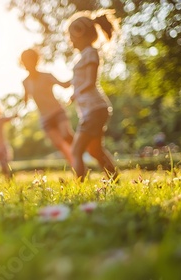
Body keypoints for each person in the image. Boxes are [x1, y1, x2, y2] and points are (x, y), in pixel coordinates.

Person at [67, 10, 119, 181]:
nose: (70, 40)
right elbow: (78, 79)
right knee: (95, 150)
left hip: (95, 109)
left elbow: (90, 81)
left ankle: (79, 186)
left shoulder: (90, 52)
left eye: (71, 36)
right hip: (92, 110)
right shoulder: (84, 55)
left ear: (80, 33)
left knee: (76, 150)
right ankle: (114, 178)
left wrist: (75, 94)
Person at [21, 48, 74, 166]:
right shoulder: (25, 82)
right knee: (60, 145)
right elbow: (25, 99)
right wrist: (17, 113)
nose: (28, 63)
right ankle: (77, 168)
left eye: (30, 60)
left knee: (67, 135)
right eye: (25, 61)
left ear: (36, 60)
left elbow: (64, 85)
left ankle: (80, 153)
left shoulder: (47, 76)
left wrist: (78, 76)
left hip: (58, 112)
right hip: (45, 118)